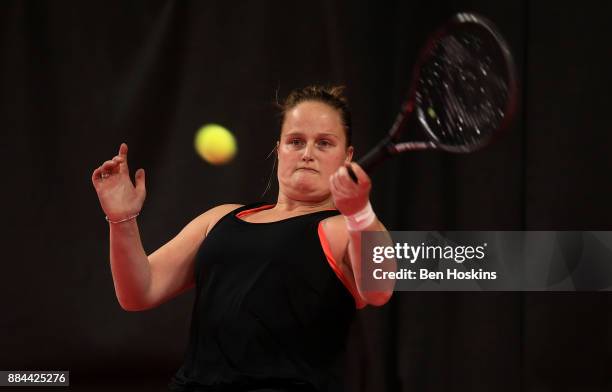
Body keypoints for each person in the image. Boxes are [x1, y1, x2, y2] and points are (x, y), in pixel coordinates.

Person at [91, 85, 394, 391]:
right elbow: (139, 293)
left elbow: (379, 290)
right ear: (278, 150)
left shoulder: (343, 227)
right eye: (296, 141)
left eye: (324, 143)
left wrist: (360, 213)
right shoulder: (220, 218)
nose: (307, 154)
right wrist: (121, 219)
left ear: (348, 156)